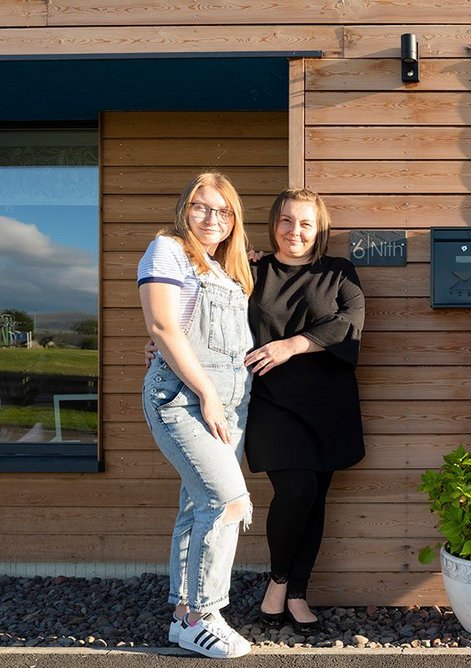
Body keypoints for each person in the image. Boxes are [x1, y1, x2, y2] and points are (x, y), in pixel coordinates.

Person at [138, 172, 254, 659]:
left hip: (229, 401)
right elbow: (163, 326)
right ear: (185, 208)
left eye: (223, 211)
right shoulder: (166, 249)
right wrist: (206, 391)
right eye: (202, 207)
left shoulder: (226, 269)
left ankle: (183, 617)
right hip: (185, 399)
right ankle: (205, 614)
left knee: (197, 506)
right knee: (228, 503)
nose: (212, 218)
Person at [243, 189, 366, 633]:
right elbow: (208, 316)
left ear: (320, 229)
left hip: (327, 404)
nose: (295, 231)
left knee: (315, 500)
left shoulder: (338, 272)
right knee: (295, 492)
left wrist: (292, 345)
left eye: (306, 223)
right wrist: (159, 344)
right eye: (287, 221)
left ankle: (297, 593)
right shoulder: (250, 269)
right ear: (274, 223)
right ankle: (278, 582)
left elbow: (348, 323)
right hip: (270, 402)